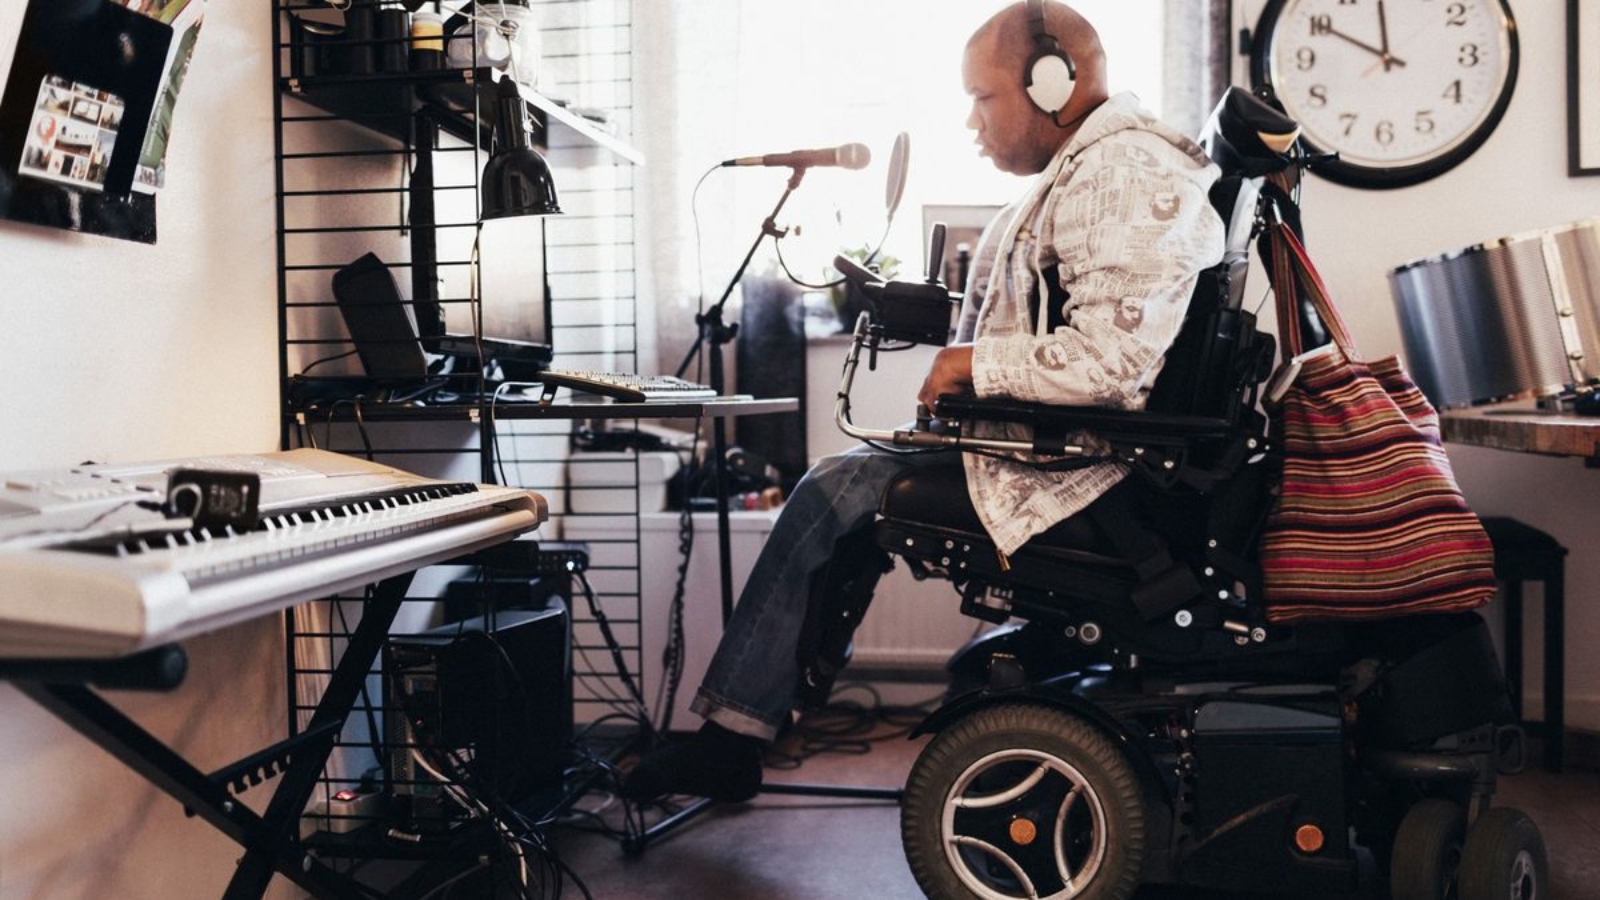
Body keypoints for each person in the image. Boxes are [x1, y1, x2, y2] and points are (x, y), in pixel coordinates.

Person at [622, 0, 1225, 803]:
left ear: (1052, 82)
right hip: (1073, 452)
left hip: (1090, 475)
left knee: (837, 489)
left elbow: (1115, 360)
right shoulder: (1093, 169)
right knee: (843, 492)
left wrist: (973, 365)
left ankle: (735, 734)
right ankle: (747, 725)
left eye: (983, 98)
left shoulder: (1124, 172)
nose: (972, 121)